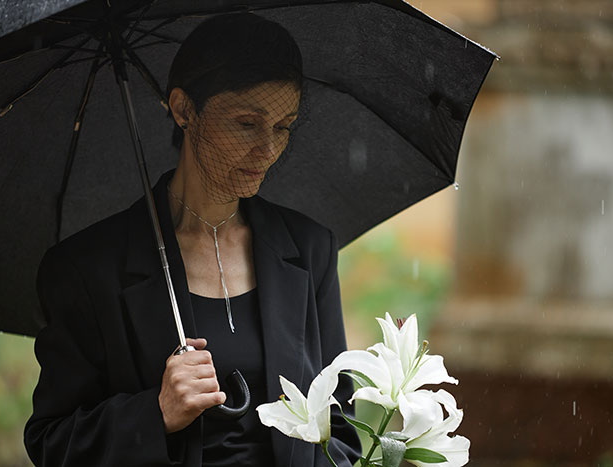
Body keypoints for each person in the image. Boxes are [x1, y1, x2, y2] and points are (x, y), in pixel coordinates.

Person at [24, 12, 361, 467]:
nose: (268, 149)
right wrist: (154, 414)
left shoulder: (309, 250)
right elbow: (52, 443)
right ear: (184, 109)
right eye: (247, 123)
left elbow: (339, 431)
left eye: (283, 126)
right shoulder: (88, 269)